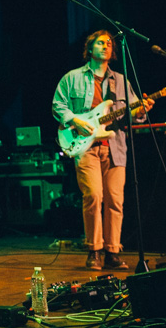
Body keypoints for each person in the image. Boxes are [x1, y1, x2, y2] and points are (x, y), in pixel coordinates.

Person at [52, 30, 153, 271]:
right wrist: (76, 121)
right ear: (90, 48)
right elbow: (58, 105)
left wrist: (141, 110)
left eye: (109, 43)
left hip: (115, 146)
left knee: (115, 200)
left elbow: (132, 114)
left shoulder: (121, 80)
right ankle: (94, 250)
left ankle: (112, 251)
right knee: (94, 196)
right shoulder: (72, 78)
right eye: (100, 42)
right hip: (86, 148)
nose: (106, 46)